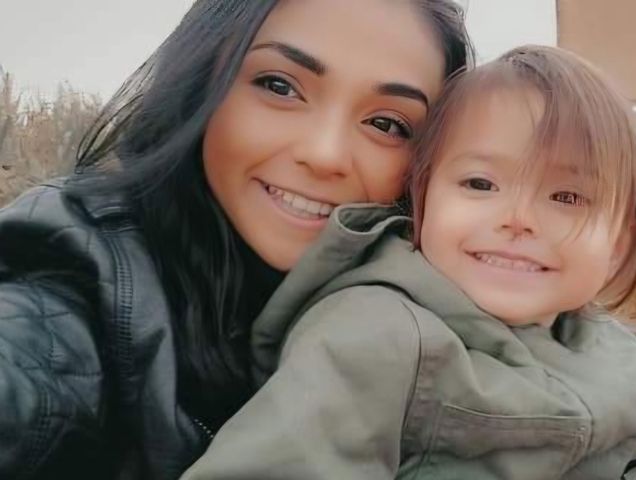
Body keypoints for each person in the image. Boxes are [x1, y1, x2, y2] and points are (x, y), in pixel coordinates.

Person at [0, 0, 472, 478]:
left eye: (387, 124)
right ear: (200, 81)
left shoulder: (444, 328)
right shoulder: (68, 278)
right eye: (280, 86)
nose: (325, 154)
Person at [181, 45, 636, 480]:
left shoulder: (617, 353)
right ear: (422, 199)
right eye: (480, 183)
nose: (519, 219)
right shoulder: (377, 335)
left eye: (567, 197)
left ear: (619, 242)